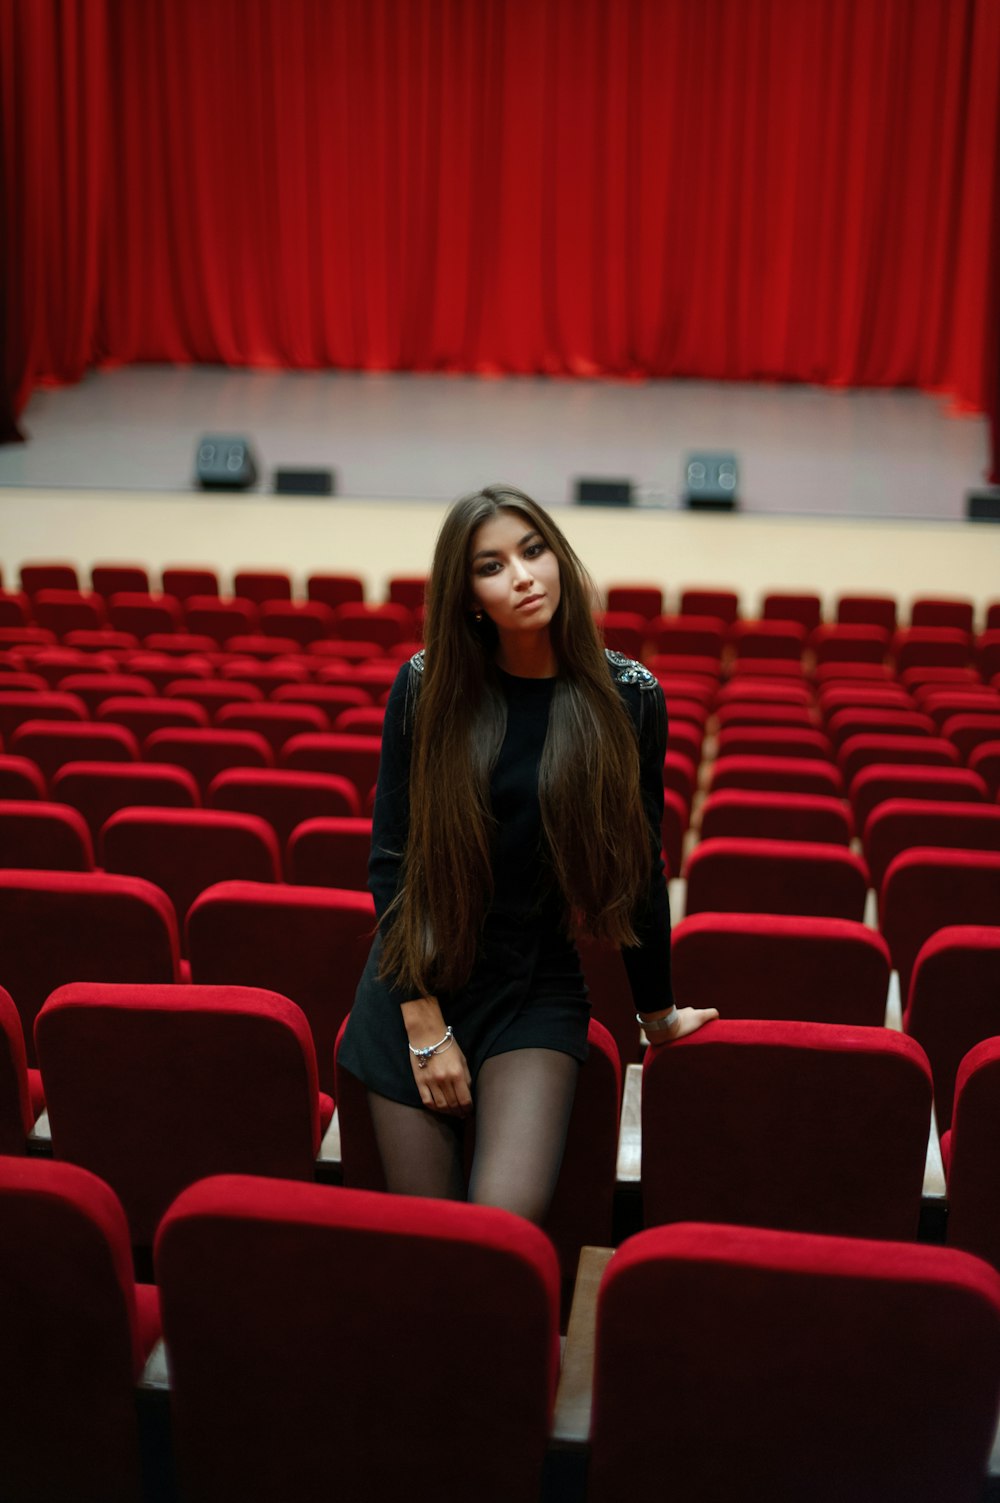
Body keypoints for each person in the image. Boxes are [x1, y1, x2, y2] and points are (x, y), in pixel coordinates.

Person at [338, 484, 718, 1224]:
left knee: (501, 1224)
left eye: (533, 549)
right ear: (469, 594)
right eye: (492, 564)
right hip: (416, 985)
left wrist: (658, 1012)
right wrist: (425, 1025)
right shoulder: (427, 687)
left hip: (535, 985)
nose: (522, 574)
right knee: (433, 1239)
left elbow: (641, 865)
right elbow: (392, 863)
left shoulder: (629, 695)